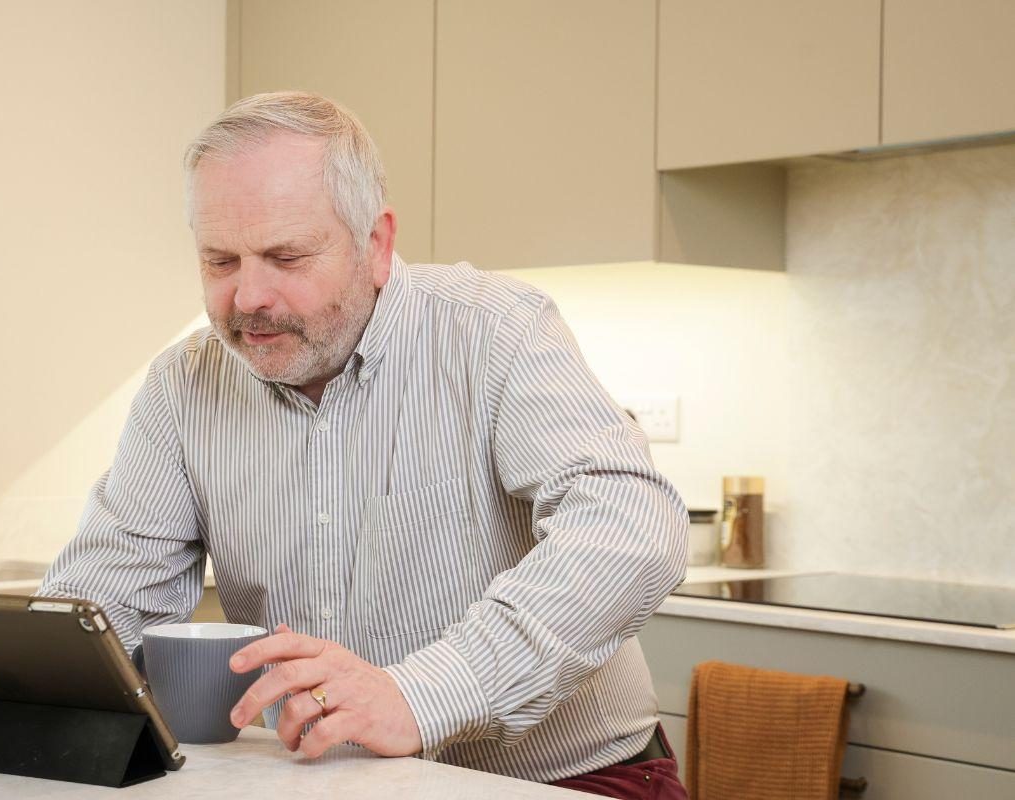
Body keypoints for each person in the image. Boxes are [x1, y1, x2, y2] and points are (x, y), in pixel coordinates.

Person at [40, 91, 688, 798]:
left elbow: (632, 529)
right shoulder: (182, 387)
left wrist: (422, 694)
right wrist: (30, 683)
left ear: (376, 245)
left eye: (285, 256)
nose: (248, 296)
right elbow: (103, 607)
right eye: (220, 261)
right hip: (321, 782)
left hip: (567, 779)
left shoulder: (495, 332)